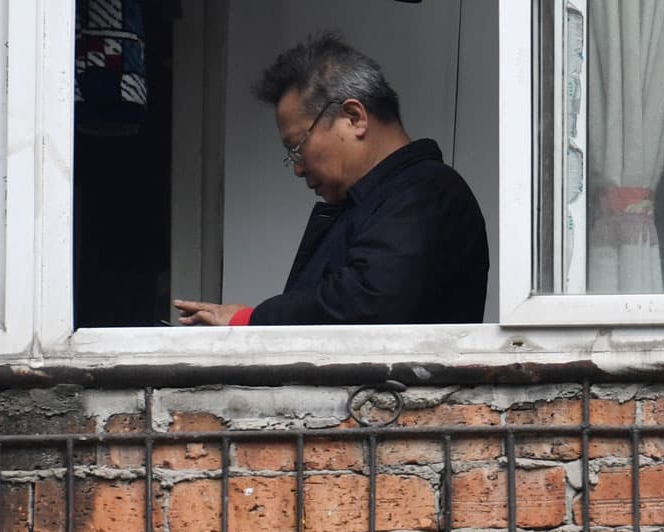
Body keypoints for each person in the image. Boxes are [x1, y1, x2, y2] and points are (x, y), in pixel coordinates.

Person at [174, 32, 488, 326]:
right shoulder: (377, 200)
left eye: (297, 147)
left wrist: (251, 320)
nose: (298, 168)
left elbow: (367, 302)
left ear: (354, 118)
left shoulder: (426, 192)